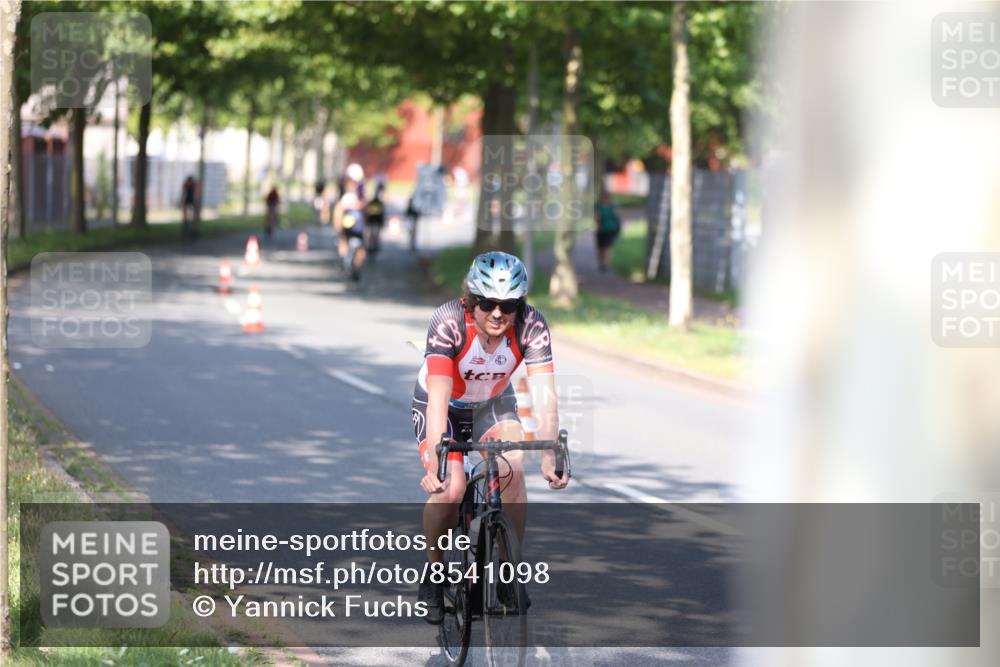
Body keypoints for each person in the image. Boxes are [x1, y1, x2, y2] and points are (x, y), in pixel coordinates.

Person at [413, 251, 569, 624]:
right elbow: (437, 399)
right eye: (487, 304)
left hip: (493, 405)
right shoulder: (449, 322)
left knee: (513, 468)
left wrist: (550, 454)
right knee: (450, 489)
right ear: (471, 300)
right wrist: (436, 465)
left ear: (520, 305)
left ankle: (507, 569)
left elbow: (544, 394)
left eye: (509, 305)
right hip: (445, 408)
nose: (498, 314)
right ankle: (434, 572)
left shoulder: (531, 325)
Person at [333, 164, 367, 280]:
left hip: (357, 224)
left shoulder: (361, 191)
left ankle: (355, 266)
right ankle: (344, 259)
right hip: (348, 223)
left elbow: (365, 206)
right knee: (343, 238)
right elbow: (339, 209)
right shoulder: (344, 194)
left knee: (360, 248)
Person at [594, 190, 622, 272]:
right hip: (604, 229)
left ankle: (604, 263)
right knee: (604, 248)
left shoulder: (602, 206)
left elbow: (597, 217)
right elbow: (617, 217)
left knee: (605, 248)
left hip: (608, 229)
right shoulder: (603, 206)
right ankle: (604, 263)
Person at [363, 181, 386, 255]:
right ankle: (370, 245)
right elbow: (367, 211)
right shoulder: (373, 202)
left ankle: (374, 245)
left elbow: (382, 213)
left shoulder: (380, 202)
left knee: (375, 233)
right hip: (372, 220)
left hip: (376, 220)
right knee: (370, 233)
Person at [181, 175, 198, 241]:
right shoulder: (185, 184)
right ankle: (185, 226)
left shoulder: (194, 185)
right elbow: (183, 193)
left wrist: (195, 201)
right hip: (187, 200)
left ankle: (194, 229)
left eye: (189, 182)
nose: (189, 183)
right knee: (185, 214)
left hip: (192, 200)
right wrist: (183, 202)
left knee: (194, 215)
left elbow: (196, 193)